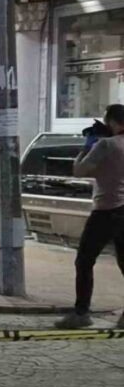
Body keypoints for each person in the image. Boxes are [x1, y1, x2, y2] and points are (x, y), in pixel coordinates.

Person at [57, 105, 124, 329]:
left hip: (106, 210)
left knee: (84, 261)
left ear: (112, 121)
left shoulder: (106, 145)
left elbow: (79, 171)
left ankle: (81, 313)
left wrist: (87, 146)